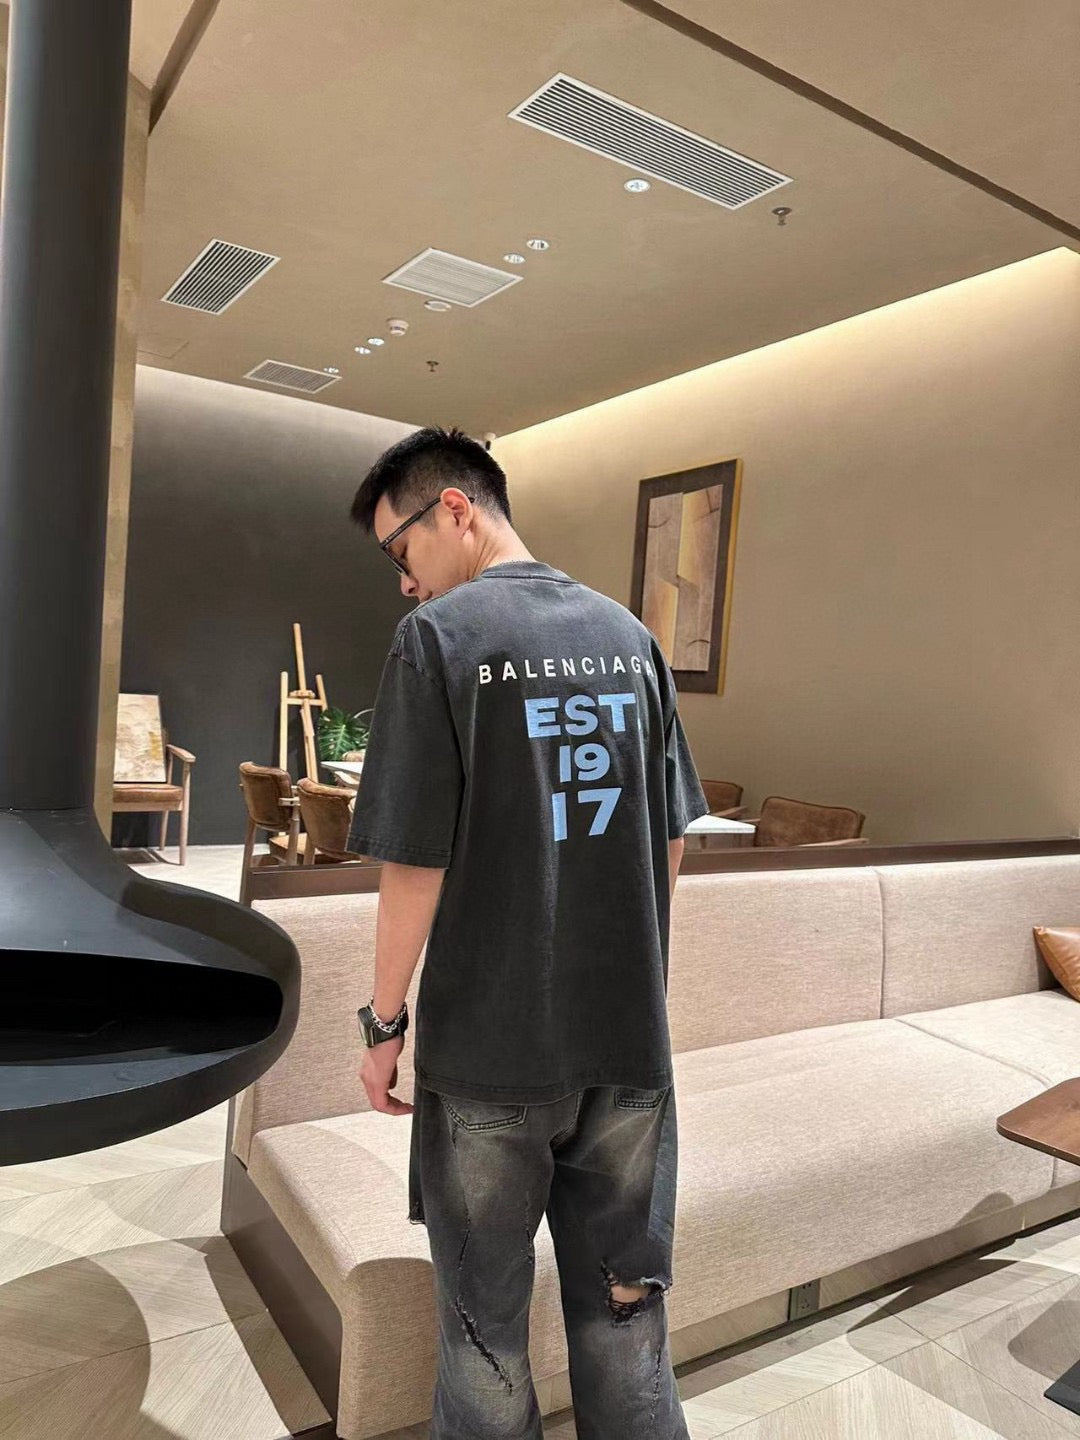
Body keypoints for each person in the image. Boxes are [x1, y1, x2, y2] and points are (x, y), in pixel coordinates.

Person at [346, 426, 709, 1440]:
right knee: (626, 1315)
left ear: (455, 509)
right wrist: (635, 978)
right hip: (628, 1047)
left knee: (483, 1335)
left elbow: (414, 863)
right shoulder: (631, 637)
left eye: (401, 549)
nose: (405, 582)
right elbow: (671, 837)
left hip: (490, 1056)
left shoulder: (438, 641)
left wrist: (384, 1023)